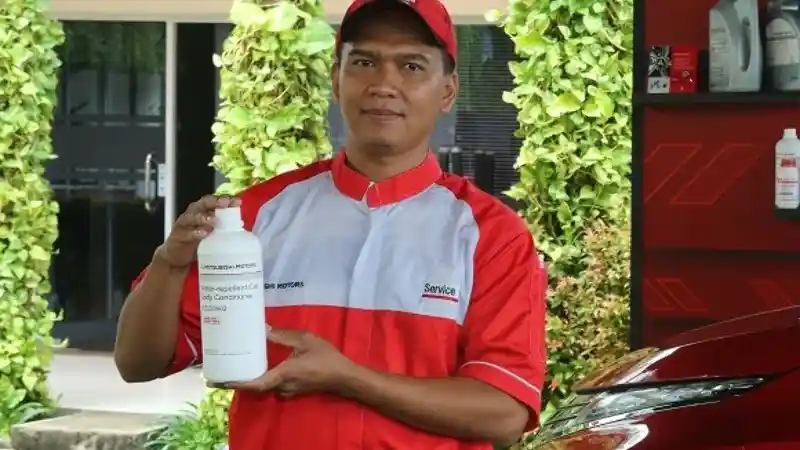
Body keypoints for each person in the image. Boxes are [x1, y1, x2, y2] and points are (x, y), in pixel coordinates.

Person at [113, 0, 547, 448]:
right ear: (336, 80)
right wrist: (169, 264)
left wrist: (349, 378)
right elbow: (137, 362)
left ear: (448, 91)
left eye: (412, 66)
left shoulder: (491, 236)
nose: (384, 84)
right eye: (364, 62)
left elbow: (504, 413)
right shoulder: (256, 216)